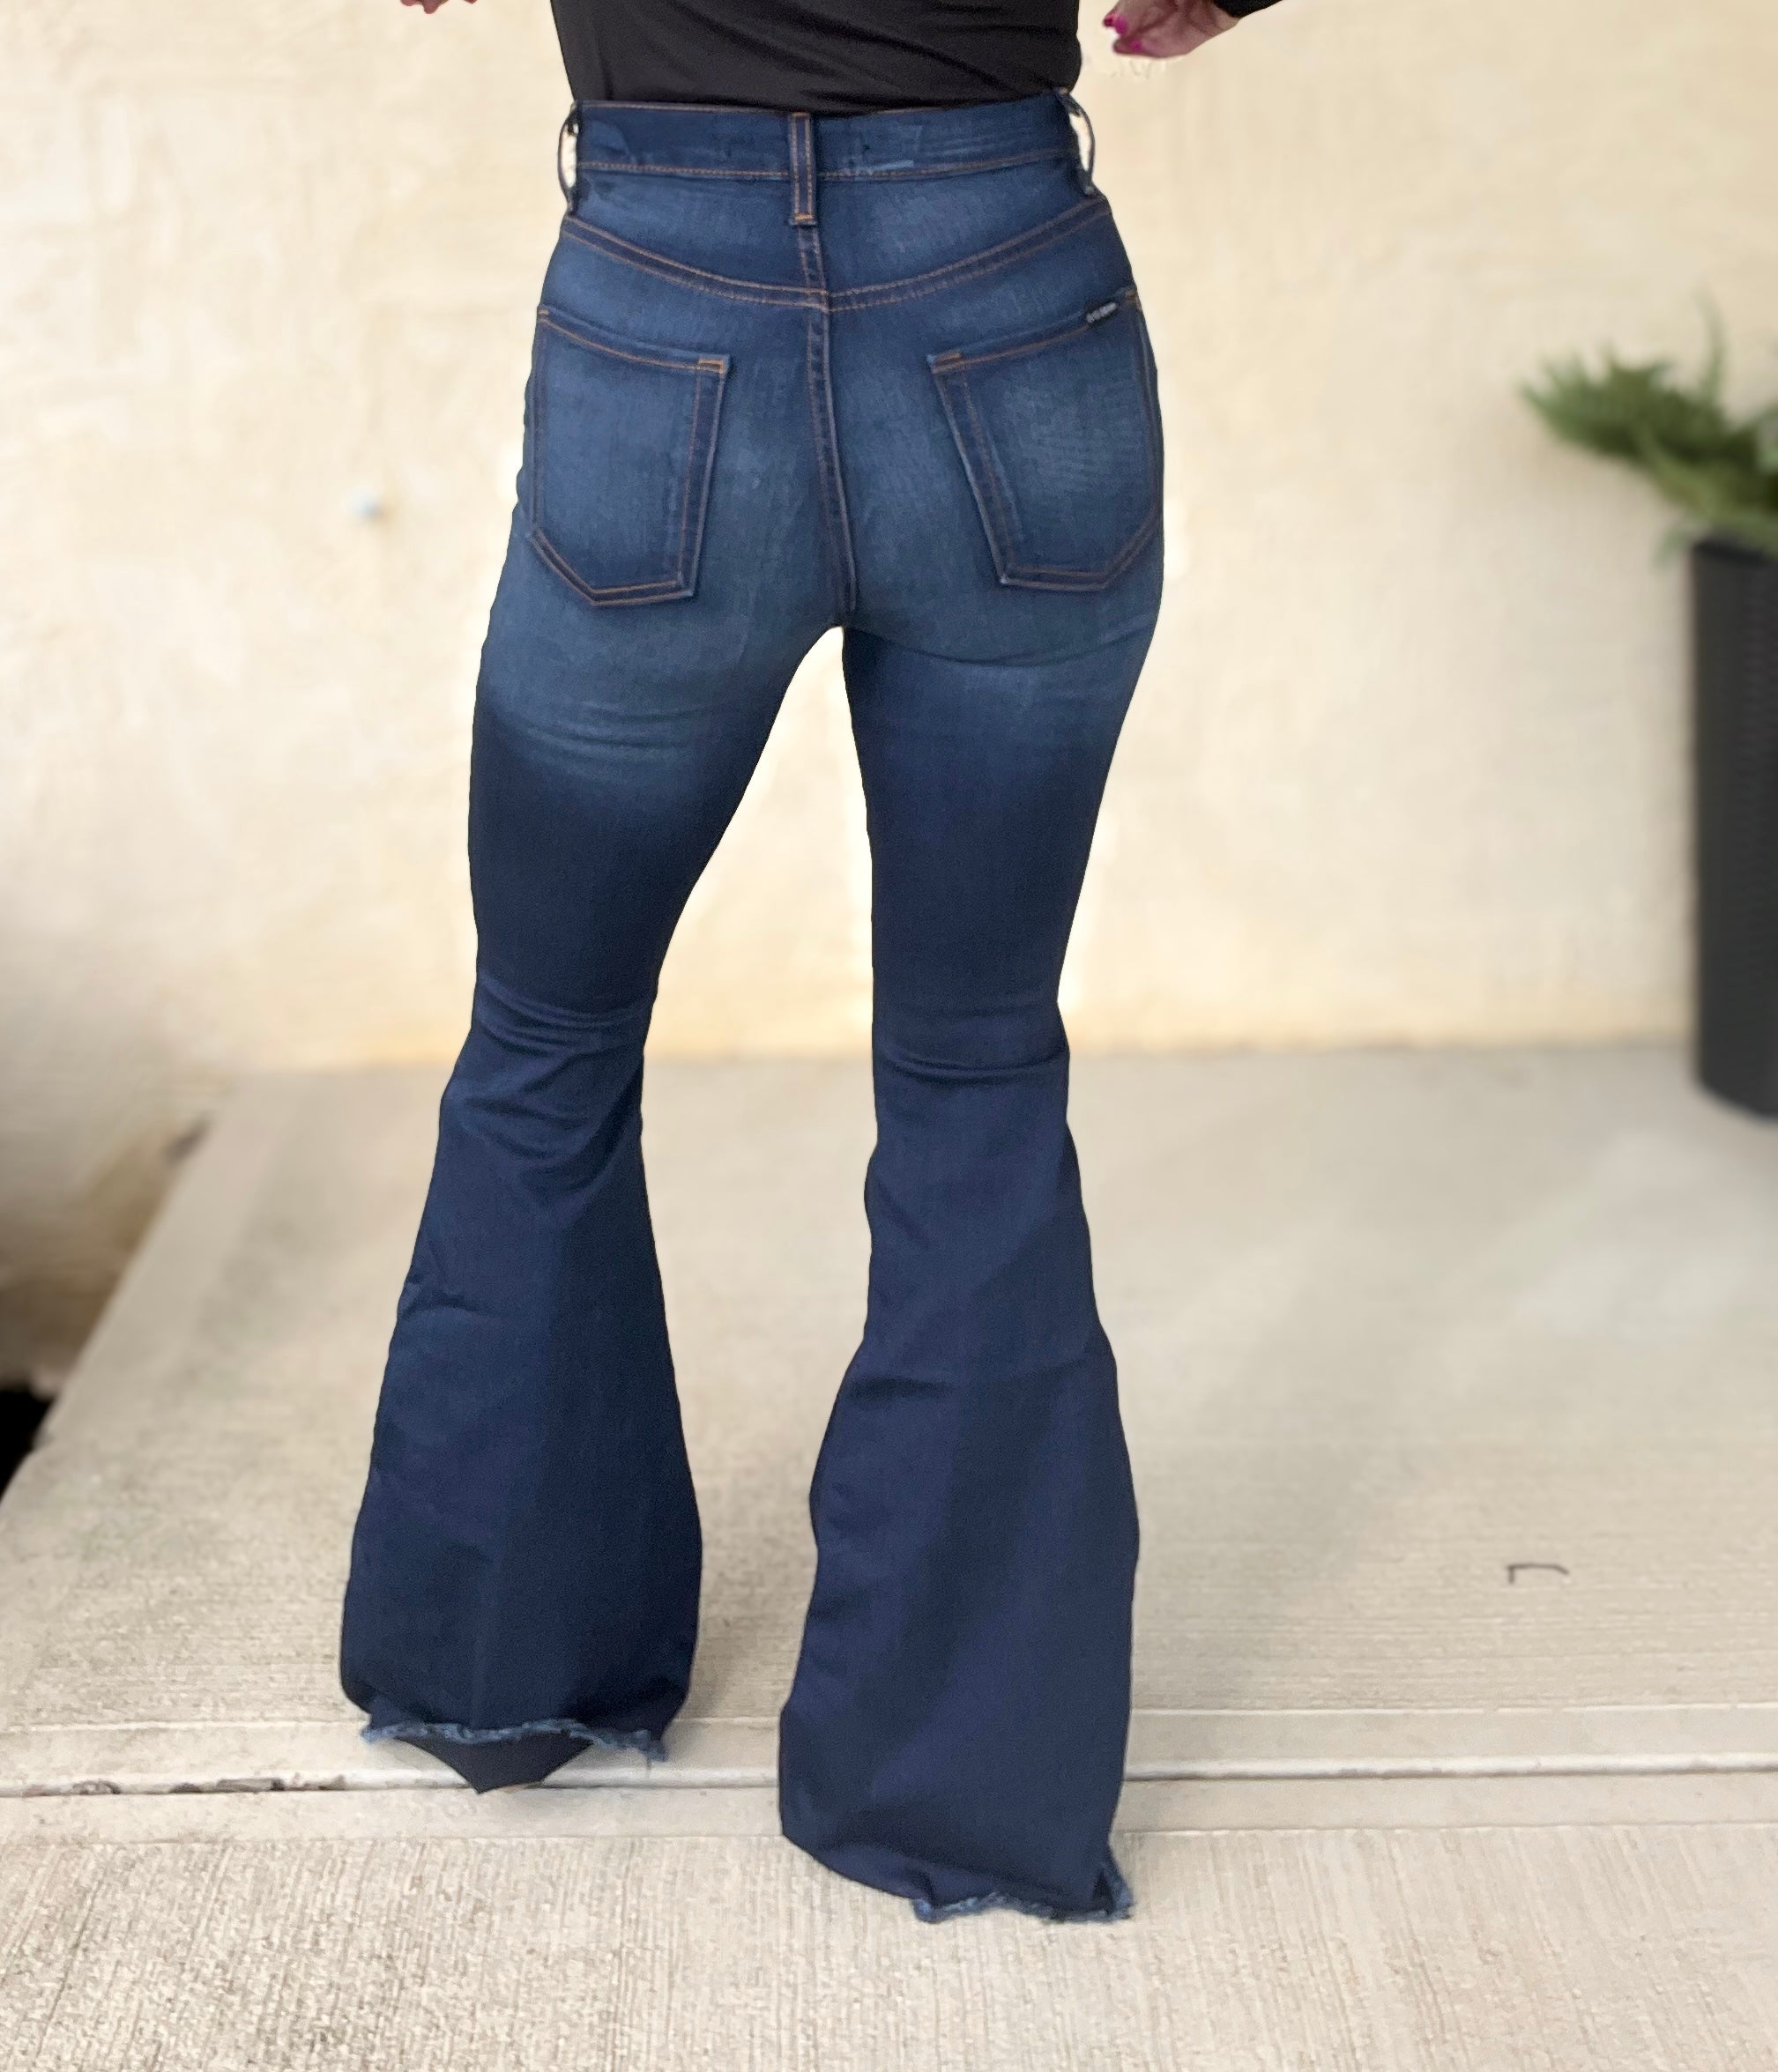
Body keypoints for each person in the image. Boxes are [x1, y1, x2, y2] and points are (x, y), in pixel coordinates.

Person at [340, 0, 1283, 1926]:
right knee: (974, 1057)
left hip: (660, 312)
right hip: (1011, 293)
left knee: (547, 1035)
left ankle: (505, 1674)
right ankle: (961, 1795)